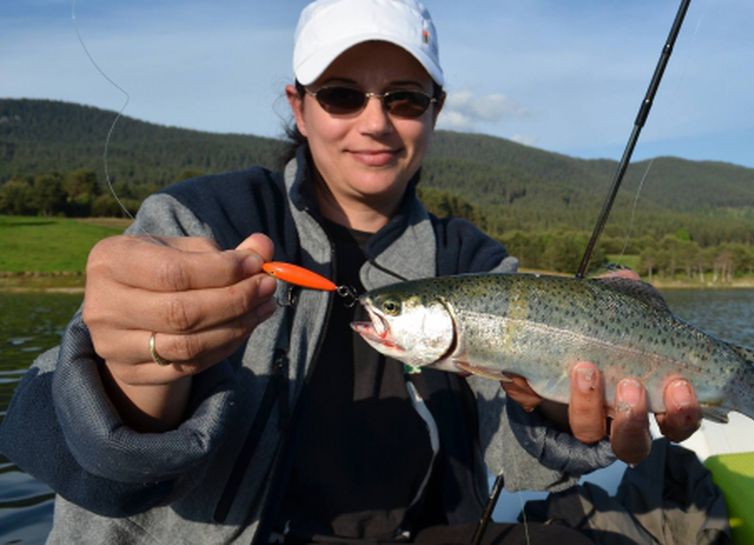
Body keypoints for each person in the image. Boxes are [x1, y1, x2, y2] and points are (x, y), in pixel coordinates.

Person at [0, 1, 702, 543]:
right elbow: (52, 441)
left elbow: (516, 465)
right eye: (341, 94)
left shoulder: (475, 262)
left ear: (435, 111)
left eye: (404, 98)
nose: (375, 122)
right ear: (298, 105)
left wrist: (555, 406)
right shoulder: (198, 221)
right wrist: (127, 382)